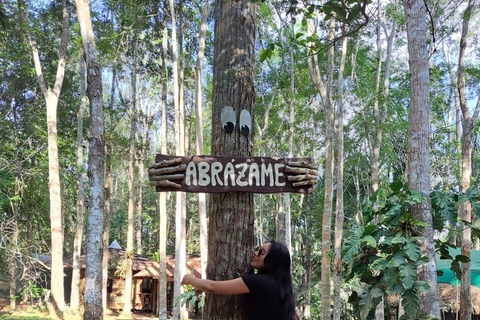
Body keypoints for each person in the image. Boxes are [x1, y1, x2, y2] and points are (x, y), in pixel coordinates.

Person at [181, 240, 298, 320]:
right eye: (258, 249)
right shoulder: (279, 286)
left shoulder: (258, 282)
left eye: (262, 252)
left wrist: (189, 279)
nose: (256, 253)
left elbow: (212, 287)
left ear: (272, 261)